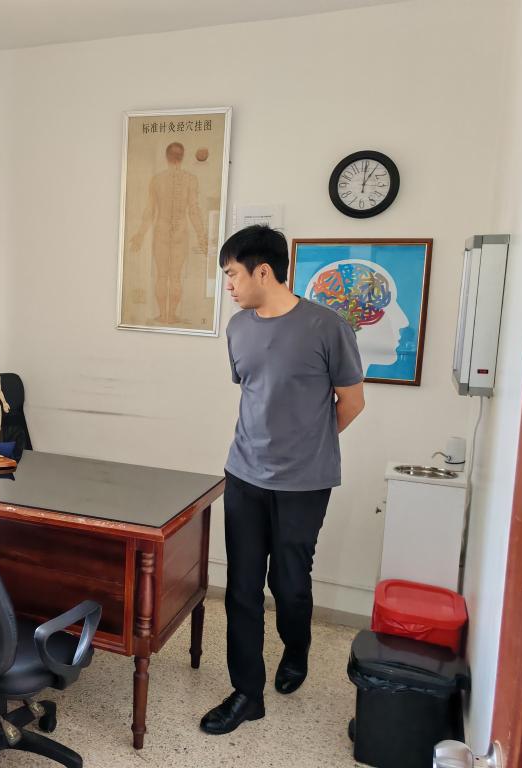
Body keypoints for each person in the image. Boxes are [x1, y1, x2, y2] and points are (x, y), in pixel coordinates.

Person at [200, 226, 366, 736]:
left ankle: (296, 649)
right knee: (242, 587)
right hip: (244, 474)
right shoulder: (238, 328)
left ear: (263, 271)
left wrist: (309, 445)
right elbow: (256, 391)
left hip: (305, 482)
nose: (228, 285)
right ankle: (247, 693)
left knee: (289, 584)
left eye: (232, 274)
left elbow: (352, 402)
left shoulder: (327, 326)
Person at [128, 141, 209, 325]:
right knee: (175, 276)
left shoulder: (157, 179)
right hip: (180, 232)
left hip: (162, 231)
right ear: (182, 157)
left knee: (162, 276)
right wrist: (201, 236)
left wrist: (140, 235)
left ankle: (164, 316)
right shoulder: (190, 179)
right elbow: (194, 211)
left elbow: (150, 211)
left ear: (166, 157)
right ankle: (170, 315)